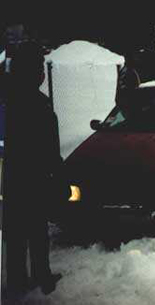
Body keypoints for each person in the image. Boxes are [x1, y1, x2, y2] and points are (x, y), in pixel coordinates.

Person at [3, 41, 65, 300]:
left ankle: (18, 281)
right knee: (37, 232)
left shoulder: (8, 100)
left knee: (16, 234)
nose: (41, 72)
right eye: (38, 67)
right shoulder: (38, 104)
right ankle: (42, 276)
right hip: (34, 179)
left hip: (12, 179)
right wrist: (58, 178)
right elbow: (49, 149)